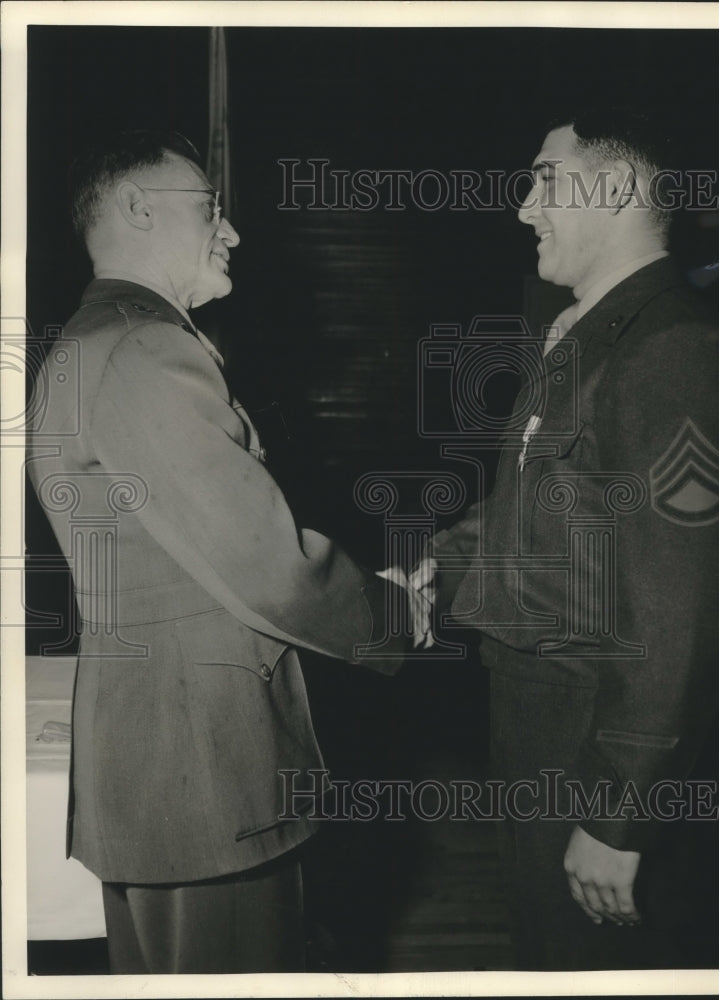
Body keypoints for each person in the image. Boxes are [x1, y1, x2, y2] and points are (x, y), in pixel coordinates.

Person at [27, 129, 427, 974]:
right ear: (139, 209)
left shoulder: (91, 340)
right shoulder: (146, 349)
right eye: (210, 208)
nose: (232, 231)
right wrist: (396, 613)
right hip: (206, 765)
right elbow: (264, 561)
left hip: (157, 754)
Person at [410, 108, 719, 969]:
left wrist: (618, 817)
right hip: (541, 723)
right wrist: (438, 569)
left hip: (595, 741)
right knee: (546, 951)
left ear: (612, 188)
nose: (523, 207)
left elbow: (684, 610)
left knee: (590, 967)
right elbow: (538, 507)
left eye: (544, 178)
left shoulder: (673, 349)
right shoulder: (589, 334)